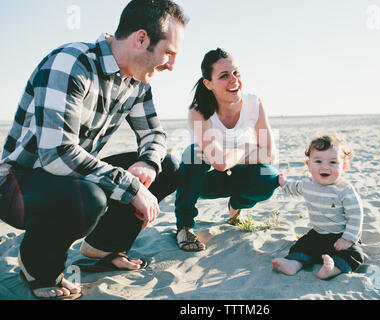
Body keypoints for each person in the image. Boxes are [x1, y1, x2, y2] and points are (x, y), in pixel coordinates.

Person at [0, 0, 188, 300]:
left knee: (170, 165)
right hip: (19, 184)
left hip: (68, 177)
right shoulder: (70, 62)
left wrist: (148, 164)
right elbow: (57, 153)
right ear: (141, 39)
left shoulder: (137, 83)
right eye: (169, 53)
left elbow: (154, 134)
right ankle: (37, 266)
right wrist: (131, 186)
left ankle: (101, 248)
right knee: (90, 198)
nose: (171, 65)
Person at [174, 48, 280, 251]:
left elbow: (270, 154)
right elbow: (219, 163)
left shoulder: (253, 103)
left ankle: (236, 207)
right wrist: (247, 149)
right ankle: (185, 226)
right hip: (204, 182)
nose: (234, 80)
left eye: (236, 73)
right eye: (224, 76)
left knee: (269, 178)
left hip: (237, 175)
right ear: (208, 83)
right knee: (193, 153)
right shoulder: (198, 112)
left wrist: (234, 154)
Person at [272, 134, 364, 279]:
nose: (325, 166)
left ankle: (332, 269)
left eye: (333, 162)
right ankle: (293, 265)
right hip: (318, 234)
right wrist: (283, 183)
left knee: (354, 254)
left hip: (340, 236)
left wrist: (348, 238)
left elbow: (356, 215)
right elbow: (293, 188)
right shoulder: (307, 184)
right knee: (301, 246)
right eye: (318, 161)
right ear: (309, 165)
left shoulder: (345, 190)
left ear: (344, 166)